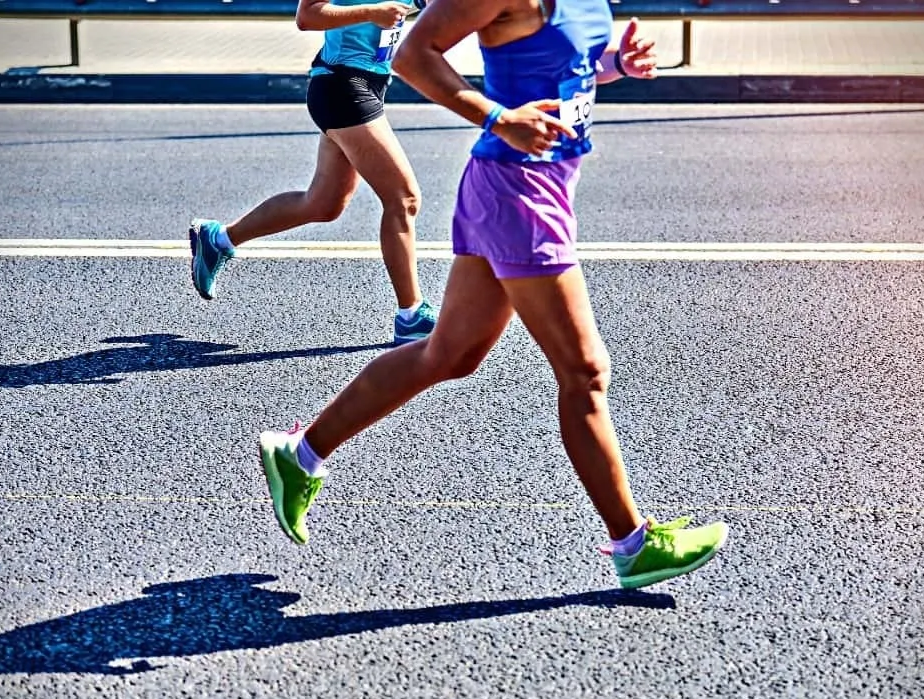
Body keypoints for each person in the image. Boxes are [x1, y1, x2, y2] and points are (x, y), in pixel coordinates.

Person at [257, 0, 729, 590]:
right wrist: (498, 117)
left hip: (539, 185)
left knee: (447, 355)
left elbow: (566, 63)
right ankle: (633, 545)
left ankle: (298, 454)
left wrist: (616, 65)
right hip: (518, 193)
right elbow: (413, 56)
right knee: (583, 371)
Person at [188, 0, 438, 346]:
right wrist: (371, 12)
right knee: (403, 198)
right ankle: (411, 315)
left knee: (323, 203)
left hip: (370, 84)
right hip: (342, 87)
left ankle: (219, 238)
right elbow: (307, 16)